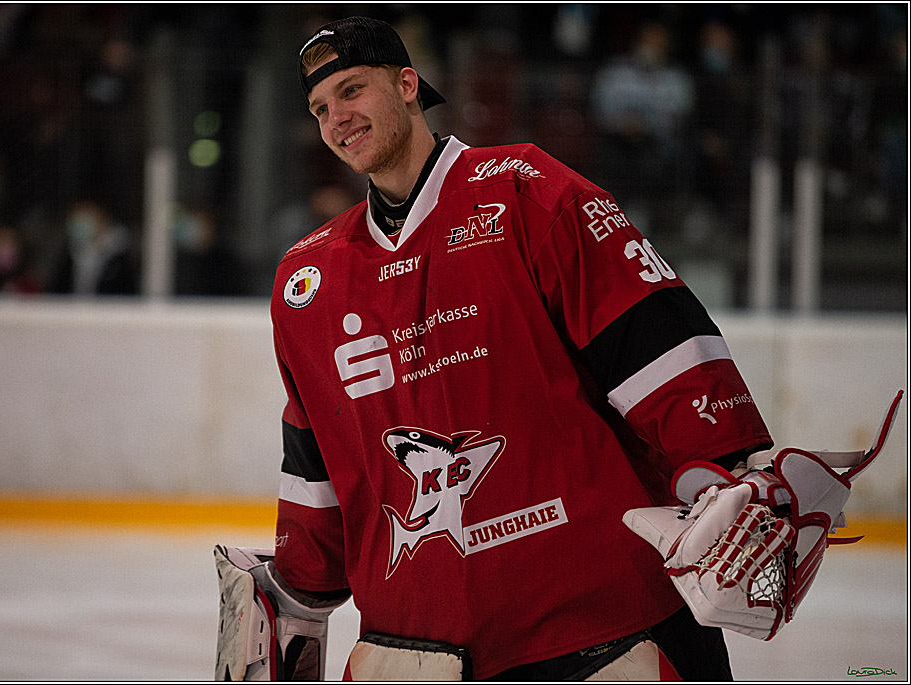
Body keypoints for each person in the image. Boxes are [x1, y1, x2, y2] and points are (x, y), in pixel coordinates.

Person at [267, 16, 772, 680]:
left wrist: (735, 470)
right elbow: (316, 466)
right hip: (421, 649)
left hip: (608, 632)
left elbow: (656, 345)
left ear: (408, 84)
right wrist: (295, 597)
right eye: (320, 108)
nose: (338, 118)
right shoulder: (309, 281)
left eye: (353, 91)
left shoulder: (524, 190)